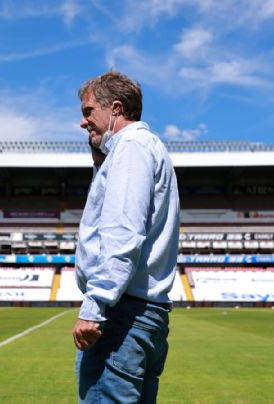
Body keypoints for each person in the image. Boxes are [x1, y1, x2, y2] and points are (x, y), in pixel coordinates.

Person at [72, 71, 180, 403]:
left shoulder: (132, 147)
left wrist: (95, 306)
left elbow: (123, 232)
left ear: (115, 108)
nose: (82, 122)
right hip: (141, 314)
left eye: (88, 111)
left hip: (122, 316)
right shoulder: (141, 148)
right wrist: (99, 162)